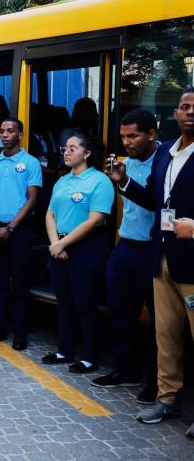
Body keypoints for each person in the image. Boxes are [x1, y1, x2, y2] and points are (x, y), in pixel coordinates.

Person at [112, 88, 194, 432]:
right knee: (166, 336)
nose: (189, 112)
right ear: (174, 114)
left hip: (192, 264)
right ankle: (166, 399)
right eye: (184, 106)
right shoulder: (165, 155)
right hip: (162, 259)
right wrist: (124, 182)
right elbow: (155, 202)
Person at [92, 110, 158, 403]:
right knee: (120, 311)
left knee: (160, 322)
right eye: (123, 137)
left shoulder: (166, 162)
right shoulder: (125, 164)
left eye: (133, 136)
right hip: (126, 245)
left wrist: (126, 183)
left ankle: (156, 381)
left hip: (153, 249)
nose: (127, 142)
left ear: (151, 135)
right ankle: (125, 368)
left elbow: (153, 202)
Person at [41, 133, 113, 373]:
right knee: (65, 303)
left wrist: (63, 244)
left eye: (73, 148)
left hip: (87, 248)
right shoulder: (62, 181)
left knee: (86, 303)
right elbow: (50, 214)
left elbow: (95, 220)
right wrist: (55, 244)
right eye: (65, 147)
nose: (66, 152)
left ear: (87, 153)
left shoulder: (100, 181)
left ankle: (90, 357)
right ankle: (65, 350)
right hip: (59, 247)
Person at [0, 117, 42, 351]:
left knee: (20, 284)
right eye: (2, 131)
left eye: (11, 131)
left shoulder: (30, 163)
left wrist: (11, 228)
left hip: (20, 230)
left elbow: (32, 197)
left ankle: (20, 333)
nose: (5, 134)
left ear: (20, 135)